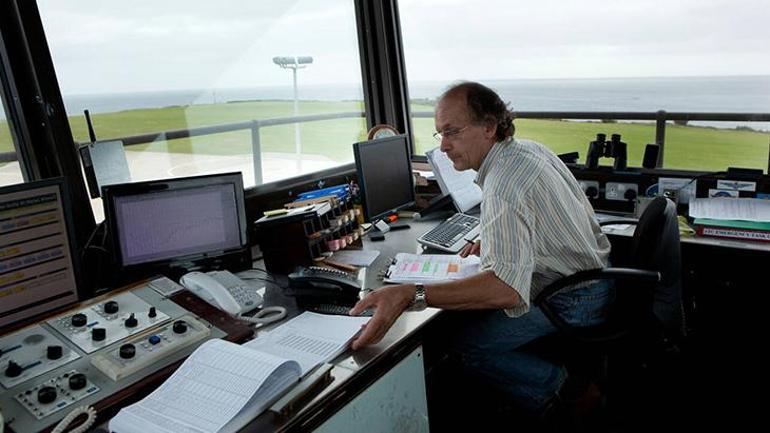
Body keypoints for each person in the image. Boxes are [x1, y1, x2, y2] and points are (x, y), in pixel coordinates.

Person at [349, 81, 613, 414]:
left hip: (573, 298)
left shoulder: (504, 184)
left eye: (452, 132)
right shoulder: (527, 150)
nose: (443, 146)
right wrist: (499, 237)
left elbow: (506, 290)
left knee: (465, 347)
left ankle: (566, 391)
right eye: (440, 134)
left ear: (489, 127)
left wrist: (410, 293)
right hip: (592, 279)